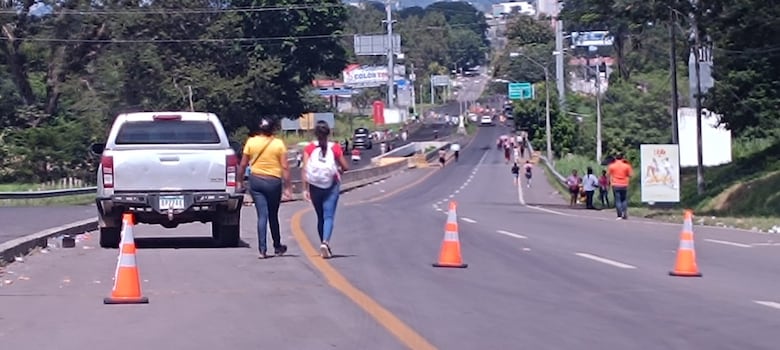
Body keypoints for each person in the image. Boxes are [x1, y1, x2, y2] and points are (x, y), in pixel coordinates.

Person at [237, 116, 291, 259]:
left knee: (262, 215)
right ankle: (277, 246)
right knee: (273, 215)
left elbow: (243, 164)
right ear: (273, 129)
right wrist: (288, 187)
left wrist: (239, 181)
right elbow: (285, 166)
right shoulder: (278, 144)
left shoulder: (251, 142)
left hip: (256, 181)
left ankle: (262, 250)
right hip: (273, 182)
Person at [302, 121, 349, 259]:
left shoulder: (309, 148)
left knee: (320, 217)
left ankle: (323, 243)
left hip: (314, 186)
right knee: (329, 216)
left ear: (315, 134)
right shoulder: (335, 148)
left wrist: (305, 189)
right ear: (329, 133)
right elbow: (345, 166)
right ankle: (325, 242)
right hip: (331, 185)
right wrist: (339, 170)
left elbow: (305, 169)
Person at [607, 153, 634, 220]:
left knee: (617, 200)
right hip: (624, 184)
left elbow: (608, 175)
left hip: (615, 184)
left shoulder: (612, 166)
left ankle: (619, 215)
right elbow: (630, 175)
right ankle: (624, 213)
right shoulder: (627, 166)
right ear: (622, 158)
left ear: (616, 158)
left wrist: (609, 183)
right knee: (624, 199)